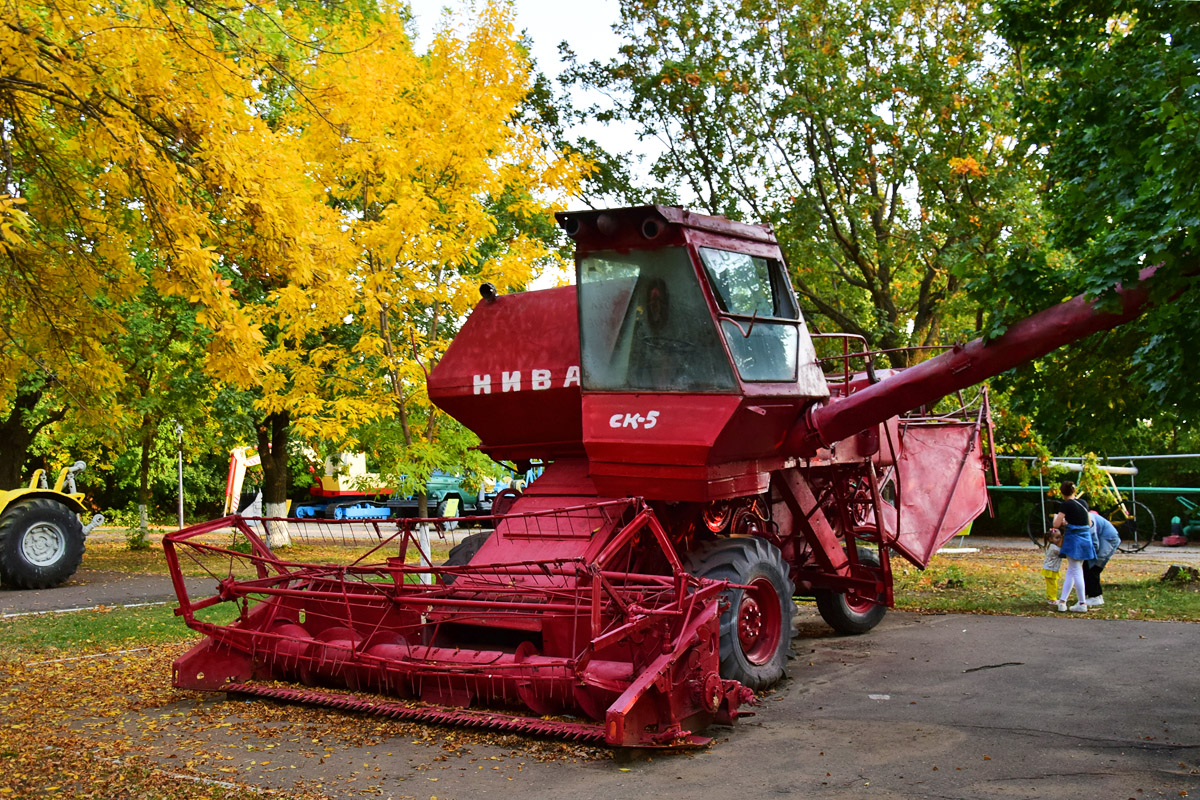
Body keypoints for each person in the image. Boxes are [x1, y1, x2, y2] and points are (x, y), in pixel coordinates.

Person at [1052, 481, 1097, 612]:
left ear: (1062, 493)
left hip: (1074, 540)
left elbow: (1056, 524)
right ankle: (1062, 602)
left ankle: (1082, 603)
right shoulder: (1083, 503)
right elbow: (1088, 523)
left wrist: (1064, 523)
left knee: (1076, 571)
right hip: (1085, 540)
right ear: (1074, 491)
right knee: (1072, 570)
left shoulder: (1065, 505)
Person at [1085, 509, 1121, 606]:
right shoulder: (1086, 516)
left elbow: (1094, 541)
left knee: (1094, 567)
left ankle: (1095, 597)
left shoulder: (1089, 519)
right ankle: (1091, 595)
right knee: (1088, 567)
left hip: (1109, 539)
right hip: (1106, 537)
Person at [1040, 528, 1064, 605]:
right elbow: (1062, 553)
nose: (1059, 539)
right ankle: (1052, 599)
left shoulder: (1053, 546)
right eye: (1057, 538)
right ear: (1050, 539)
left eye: (1060, 537)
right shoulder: (1054, 548)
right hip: (1050, 569)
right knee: (1052, 585)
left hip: (1052, 569)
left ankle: (1050, 597)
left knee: (1052, 584)